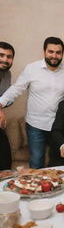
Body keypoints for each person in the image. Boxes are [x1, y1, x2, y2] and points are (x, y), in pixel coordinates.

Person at [0, 37, 64, 169]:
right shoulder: (31, 68)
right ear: (44, 52)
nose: (54, 55)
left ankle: (56, 187)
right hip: (35, 125)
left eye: (58, 52)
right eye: (51, 51)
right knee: (36, 161)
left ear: (62, 54)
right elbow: (17, 88)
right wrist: (0, 103)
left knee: (59, 161)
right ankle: (37, 189)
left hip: (58, 125)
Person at [0, 42, 15, 170]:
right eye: (1, 55)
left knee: (5, 161)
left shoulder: (7, 74)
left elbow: (6, 97)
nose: (5, 59)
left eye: (9, 56)